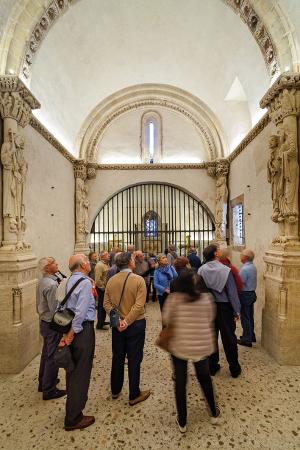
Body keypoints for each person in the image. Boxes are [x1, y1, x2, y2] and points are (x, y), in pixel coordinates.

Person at [162, 270, 220, 432]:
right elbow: (210, 318)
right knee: (205, 379)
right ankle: (214, 413)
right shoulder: (206, 298)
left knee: (180, 383)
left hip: (179, 345)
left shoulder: (173, 299)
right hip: (200, 345)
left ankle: (182, 421)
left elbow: (166, 320)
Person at [104, 252, 151, 406]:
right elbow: (139, 305)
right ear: (130, 262)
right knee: (134, 358)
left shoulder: (111, 280)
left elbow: (106, 304)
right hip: (135, 324)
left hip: (118, 326)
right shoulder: (138, 280)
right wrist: (127, 321)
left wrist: (118, 321)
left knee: (117, 356)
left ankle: (115, 390)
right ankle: (134, 393)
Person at [59, 254, 96, 431]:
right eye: (87, 261)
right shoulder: (85, 283)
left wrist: (67, 333)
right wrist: (72, 334)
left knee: (73, 373)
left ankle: (72, 412)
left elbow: (67, 307)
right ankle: (73, 418)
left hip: (72, 328)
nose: (89, 263)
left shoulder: (71, 281)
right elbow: (80, 313)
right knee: (81, 373)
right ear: (82, 265)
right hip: (81, 331)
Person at [198, 244, 241, 378]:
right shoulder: (225, 270)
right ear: (216, 254)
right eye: (218, 250)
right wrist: (236, 311)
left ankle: (212, 366)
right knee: (229, 338)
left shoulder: (201, 270)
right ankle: (234, 368)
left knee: (211, 337)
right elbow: (232, 292)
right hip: (224, 308)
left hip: (207, 307)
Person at [37, 257, 66, 400]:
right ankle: (49, 389)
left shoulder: (43, 281)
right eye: (54, 263)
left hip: (43, 322)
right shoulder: (51, 285)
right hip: (51, 324)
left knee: (45, 353)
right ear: (48, 268)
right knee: (52, 357)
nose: (57, 264)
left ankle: (43, 382)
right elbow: (55, 309)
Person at [238, 249, 257, 347]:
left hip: (245, 294)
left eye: (241, 255)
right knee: (249, 316)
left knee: (245, 317)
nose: (240, 256)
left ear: (245, 257)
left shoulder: (245, 269)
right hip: (252, 293)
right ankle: (251, 336)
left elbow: (240, 283)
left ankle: (247, 339)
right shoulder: (252, 267)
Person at [94, 250, 110, 330]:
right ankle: (99, 325)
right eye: (107, 255)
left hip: (105, 288)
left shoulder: (106, 264)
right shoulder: (99, 265)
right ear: (102, 257)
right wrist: (103, 288)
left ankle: (102, 321)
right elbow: (97, 280)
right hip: (101, 289)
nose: (109, 255)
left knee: (104, 306)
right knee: (101, 307)